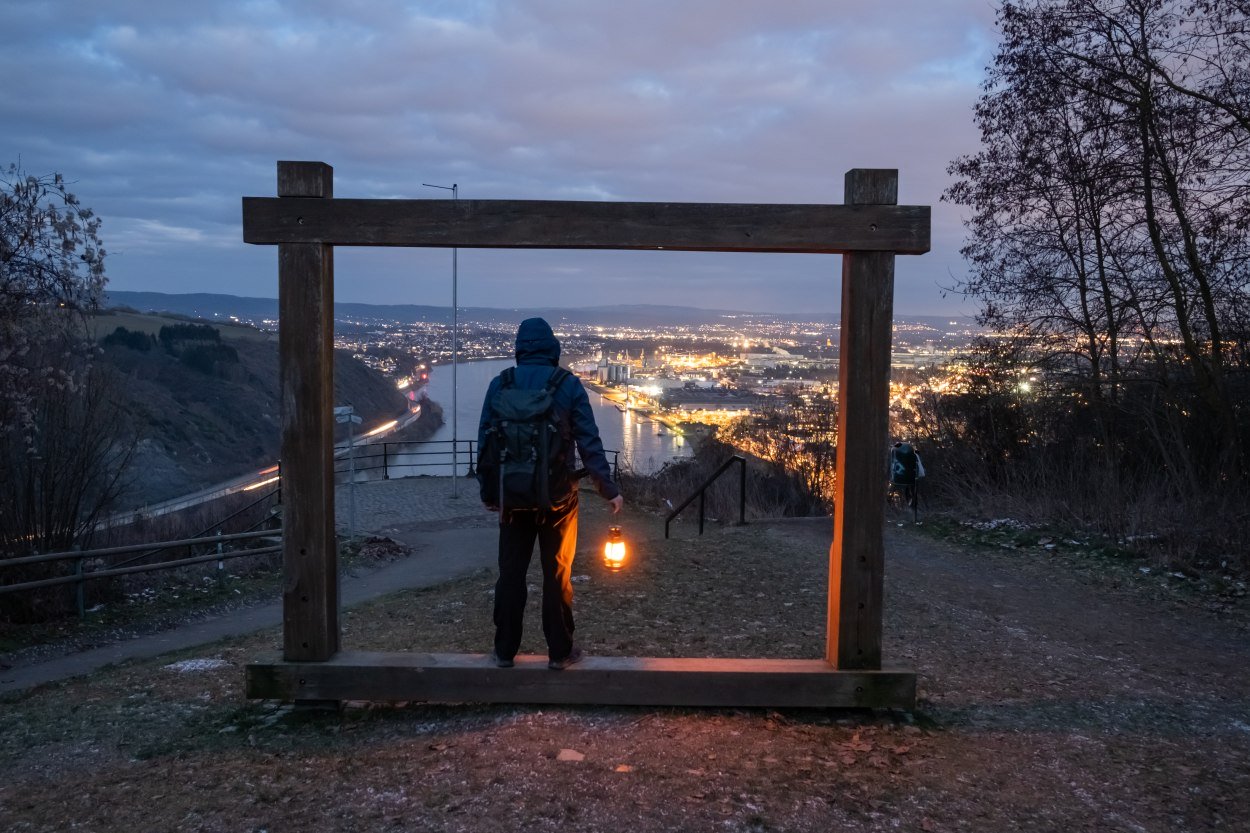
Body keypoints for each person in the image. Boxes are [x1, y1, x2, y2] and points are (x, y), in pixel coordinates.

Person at [477, 317, 622, 670]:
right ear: (553, 347)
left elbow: (486, 445)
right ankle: (559, 652)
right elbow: (589, 442)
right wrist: (608, 489)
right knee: (556, 574)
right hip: (558, 500)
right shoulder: (567, 385)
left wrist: (489, 493)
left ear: (519, 348)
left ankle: (504, 651)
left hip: (512, 500)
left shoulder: (500, 384)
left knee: (510, 574)